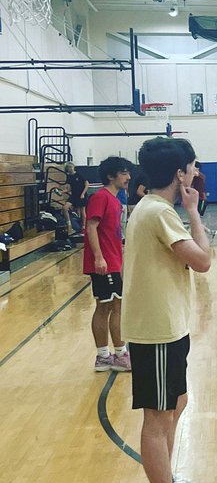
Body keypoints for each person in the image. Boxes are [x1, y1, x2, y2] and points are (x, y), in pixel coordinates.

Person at [122, 136, 217, 483]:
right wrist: (194, 212)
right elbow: (202, 260)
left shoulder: (151, 208)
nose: (197, 172)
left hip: (166, 325)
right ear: (180, 173)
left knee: (176, 402)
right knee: (157, 416)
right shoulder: (159, 211)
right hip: (156, 330)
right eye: (193, 167)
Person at [85, 156, 133, 373]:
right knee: (111, 307)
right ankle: (114, 355)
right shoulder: (101, 197)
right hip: (104, 263)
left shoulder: (115, 200)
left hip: (114, 261)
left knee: (111, 306)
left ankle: (108, 355)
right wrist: (98, 257)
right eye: (123, 173)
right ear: (110, 176)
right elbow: (91, 226)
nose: (128, 177)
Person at [65, 162, 89, 233]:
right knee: (65, 208)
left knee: (82, 211)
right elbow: (69, 189)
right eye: (68, 167)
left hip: (81, 194)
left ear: (73, 167)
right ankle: (69, 224)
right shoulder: (69, 176)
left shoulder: (79, 174)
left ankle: (84, 226)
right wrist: (62, 191)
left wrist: (83, 194)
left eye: (71, 167)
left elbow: (87, 184)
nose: (70, 168)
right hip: (74, 195)